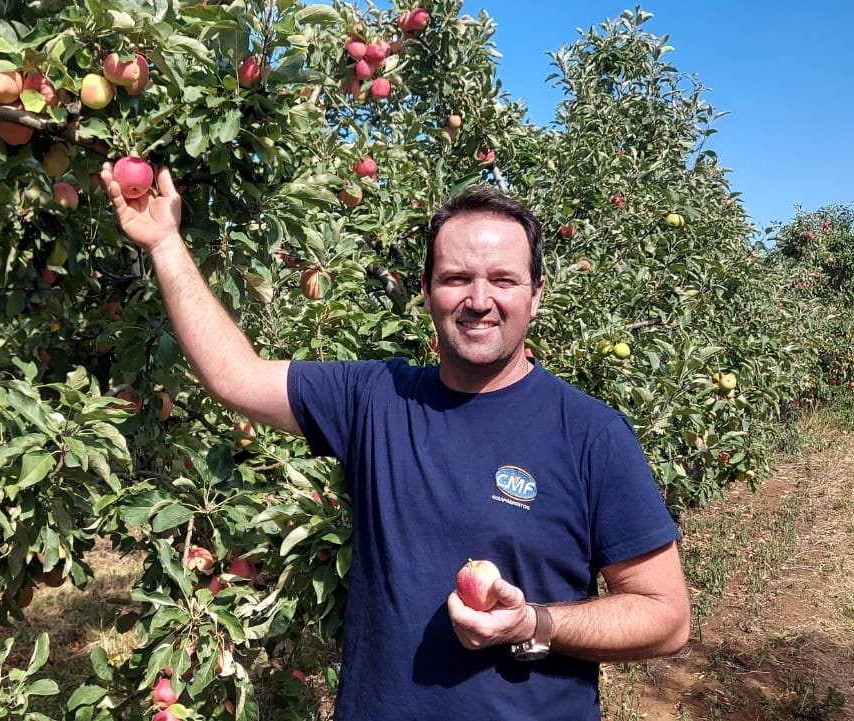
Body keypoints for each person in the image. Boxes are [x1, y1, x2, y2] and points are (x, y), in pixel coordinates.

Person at [101, 164, 690, 721]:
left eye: (503, 280)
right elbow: (237, 375)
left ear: (535, 294)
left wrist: (533, 623)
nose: (479, 300)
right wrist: (164, 244)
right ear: (427, 291)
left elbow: (666, 619)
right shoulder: (376, 398)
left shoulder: (589, 433)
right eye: (456, 278)